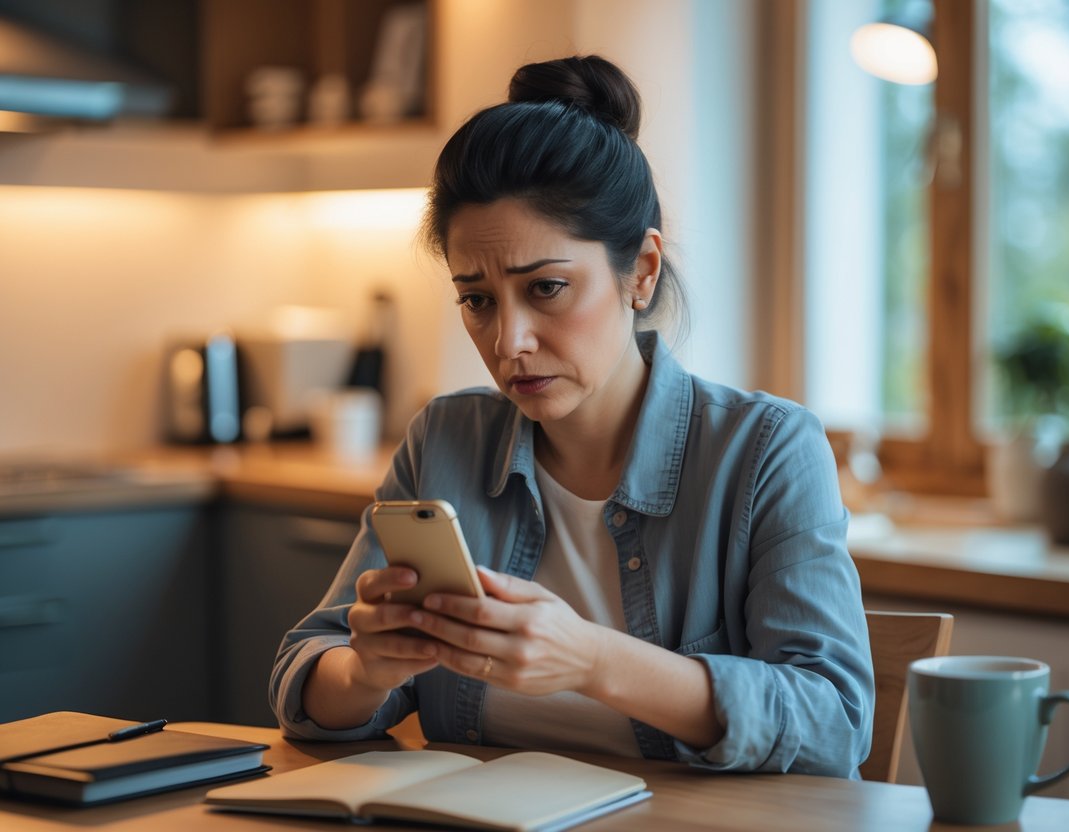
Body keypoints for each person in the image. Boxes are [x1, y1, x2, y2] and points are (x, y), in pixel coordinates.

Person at [271, 55, 874, 777]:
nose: (508, 341)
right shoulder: (446, 441)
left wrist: (591, 658)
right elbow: (305, 678)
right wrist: (367, 671)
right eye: (477, 298)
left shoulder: (765, 450)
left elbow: (833, 724)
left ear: (641, 272)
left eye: (547, 288)